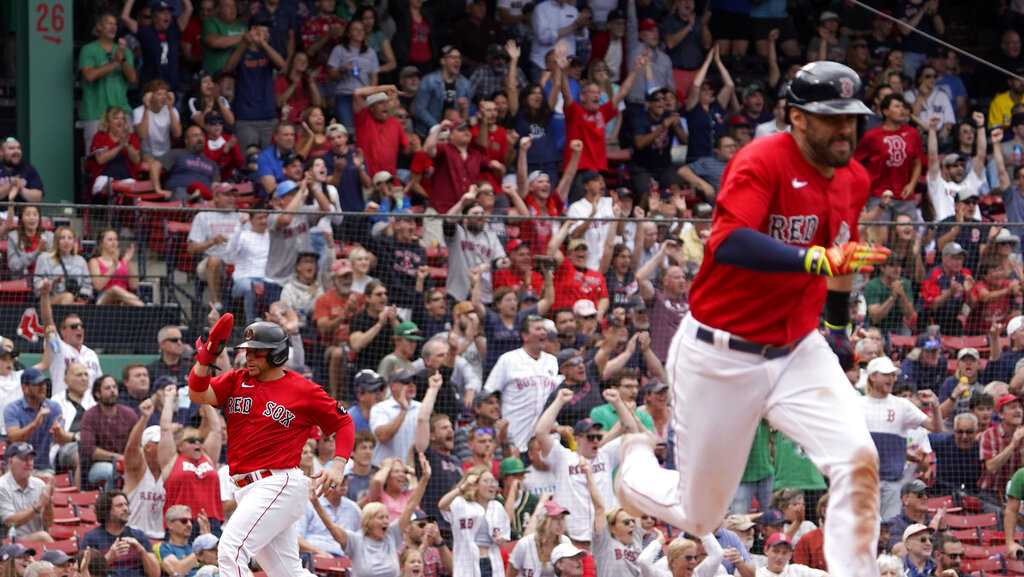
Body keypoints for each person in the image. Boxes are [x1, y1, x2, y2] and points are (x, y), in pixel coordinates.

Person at [617, 62, 889, 577]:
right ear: (796, 118)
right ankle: (633, 465)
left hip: (797, 349)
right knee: (703, 515)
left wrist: (835, 329)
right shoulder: (761, 159)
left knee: (858, 459)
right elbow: (730, 241)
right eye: (831, 119)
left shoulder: (853, 176)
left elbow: (841, 259)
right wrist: (812, 260)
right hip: (721, 353)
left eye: (851, 119)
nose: (845, 130)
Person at [186, 316, 355, 577]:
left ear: (276, 354)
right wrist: (205, 358)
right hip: (245, 488)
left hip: (278, 482)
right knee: (288, 573)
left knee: (230, 549)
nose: (249, 357)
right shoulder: (236, 380)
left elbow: (343, 422)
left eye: (258, 352)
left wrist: (339, 463)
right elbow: (198, 393)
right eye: (247, 351)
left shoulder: (303, 389)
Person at [312, 453, 432, 577]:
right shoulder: (356, 541)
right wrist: (316, 503)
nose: (386, 521)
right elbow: (331, 526)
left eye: (387, 517)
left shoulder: (391, 536)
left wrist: (425, 478)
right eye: (381, 517)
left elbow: (410, 506)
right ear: (368, 521)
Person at [861, 356, 942, 520]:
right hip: (864, 482)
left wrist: (935, 405)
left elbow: (936, 427)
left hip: (893, 482)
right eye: (886, 374)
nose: (891, 378)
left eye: (893, 375)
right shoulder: (856, 404)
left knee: (889, 529)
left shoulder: (902, 405)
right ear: (873, 376)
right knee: (865, 531)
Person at [482, 315, 561, 452]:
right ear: (525, 335)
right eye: (538, 329)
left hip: (546, 442)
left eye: (544, 329)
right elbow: (489, 393)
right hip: (515, 438)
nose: (543, 332)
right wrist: (498, 423)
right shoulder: (508, 360)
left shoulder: (552, 361)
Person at [438, 464, 512, 577]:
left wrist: (500, 539)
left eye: (493, 481)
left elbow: (504, 534)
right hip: (467, 565)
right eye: (486, 481)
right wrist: (463, 487)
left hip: (492, 563)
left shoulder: (497, 507)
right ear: (475, 484)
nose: (492, 485)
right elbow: (442, 505)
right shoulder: (461, 503)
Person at [79, 13, 137, 149]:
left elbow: (133, 79)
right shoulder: (88, 49)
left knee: (127, 156)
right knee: (96, 159)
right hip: (96, 113)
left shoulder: (124, 51)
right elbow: (89, 76)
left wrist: (122, 60)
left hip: (122, 112)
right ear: (99, 27)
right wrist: (115, 63)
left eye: (115, 24)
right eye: (108, 23)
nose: (113, 27)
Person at [187, 185, 242, 312]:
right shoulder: (203, 216)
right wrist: (212, 241)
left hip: (237, 261)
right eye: (227, 195)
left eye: (234, 195)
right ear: (216, 197)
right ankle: (216, 303)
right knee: (214, 260)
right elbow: (191, 248)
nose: (231, 199)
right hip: (208, 262)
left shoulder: (241, 216)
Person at [5, 369, 70, 475]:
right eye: (38, 384)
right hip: (17, 467)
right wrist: (34, 424)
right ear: (25, 388)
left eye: (44, 384)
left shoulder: (54, 407)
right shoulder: (12, 409)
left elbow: (60, 440)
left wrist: (58, 432)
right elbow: (13, 437)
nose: (43, 387)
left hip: (44, 468)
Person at [82, 490, 161, 577]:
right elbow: (84, 573)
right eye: (119, 505)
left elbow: (155, 574)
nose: (125, 508)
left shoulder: (139, 536)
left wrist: (141, 551)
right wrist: (109, 557)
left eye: (126, 504)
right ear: (106, 511)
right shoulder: (92, 539)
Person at [123, 400, 166, 541]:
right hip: (134, 537)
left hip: (161, 540)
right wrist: (144, 418)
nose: (164, 446)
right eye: (159, 443)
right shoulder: (137, 470)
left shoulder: (168, 471)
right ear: (147, 447)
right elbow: (131, 448)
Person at [0, 442, 55, 542]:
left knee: (43, 536)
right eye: (24, 459)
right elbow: (10, 522)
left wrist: (48, 503)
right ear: (10, 461)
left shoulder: (39, 484)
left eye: (31, 459)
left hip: (34, 541)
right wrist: (38, 506)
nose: (29, 463)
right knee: (43, 537)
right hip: (9, 544)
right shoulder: (2, 486)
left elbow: (48, 523)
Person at [33, 227, 93, 305]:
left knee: (71, 298)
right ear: (56, 241)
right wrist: (52, 282)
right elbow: (37, 287)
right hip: (49, 301)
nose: (66, 241)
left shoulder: (81, 261)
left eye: (70, 238)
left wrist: (82, 298)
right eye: (62, 238)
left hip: (76, 302)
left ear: (74, 241)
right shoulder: (44, 258)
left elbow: (87, 286)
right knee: (68, 297)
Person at [87, 229, 143, 307]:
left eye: (116, 239)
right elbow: (98, 286)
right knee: (115, 289)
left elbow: (134, 286)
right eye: (110, 240)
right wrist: (114, 265)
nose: (114, 243)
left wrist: (128, 262)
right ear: (101, 243)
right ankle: (143, 306)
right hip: (103, 300)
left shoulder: (123, 261)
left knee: (119, 292)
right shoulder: (94, 261)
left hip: (124, 300)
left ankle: (140, 306)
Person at [6, 205, 52, 276]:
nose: (32, 218)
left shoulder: (49, 236)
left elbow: (54, 262)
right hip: (23, 281)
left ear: (39, 218)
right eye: (28, 214)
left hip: (45, 279)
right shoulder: (13, 237)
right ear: (21, 219)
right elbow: (14, 266)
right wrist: (37, 251)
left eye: (35, 214)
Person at [0, 138, 44, 203]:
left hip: (23, 212)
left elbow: (38, 197)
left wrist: (20, 188)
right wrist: (10, 185)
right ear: (1, 152)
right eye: (11, 148)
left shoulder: (29, 169)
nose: (16, 151)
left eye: (18, 148)